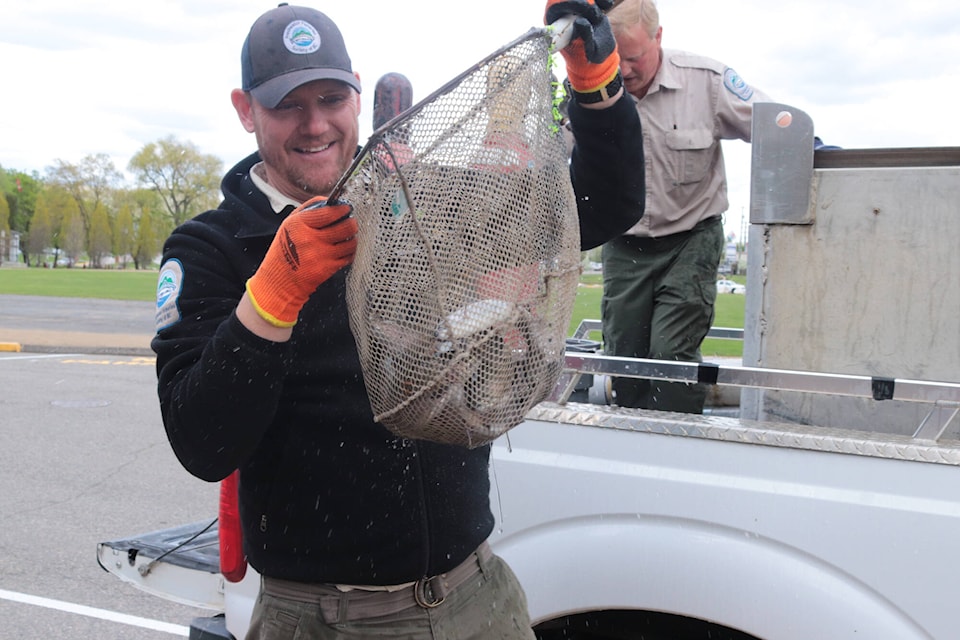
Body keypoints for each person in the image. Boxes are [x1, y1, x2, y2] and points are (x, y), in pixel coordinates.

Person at [151, 2, 643, 640]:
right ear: (246, 111)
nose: (315, 124)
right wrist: (272, 297)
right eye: (287, 105)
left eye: (331, 98)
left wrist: (596, 82)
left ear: (357, 98)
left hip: (473, 598)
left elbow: (603, 203)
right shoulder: (209, 249)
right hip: (321, 618)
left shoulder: (420, 200)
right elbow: (202, 441)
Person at [600, 0, 772, 413]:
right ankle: (627, 450)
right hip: (625, 244)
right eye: (613, 59)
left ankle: (675, 447)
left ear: (658, 38)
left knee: (671, 356)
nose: (623, 71)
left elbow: (773, 121)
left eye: (635, 57)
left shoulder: (708, 82)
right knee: (623, 357)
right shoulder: (590, 88)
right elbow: (553, 148)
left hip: (690, 239)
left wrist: (815, 149)